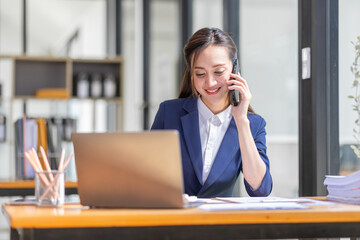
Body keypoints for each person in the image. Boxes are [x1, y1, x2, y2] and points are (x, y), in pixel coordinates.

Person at [151, 27, 272, 198]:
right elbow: (147, 174)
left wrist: (241, 120)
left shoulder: (253, 124)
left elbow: (259, 189)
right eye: (200, 73)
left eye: (218, 71)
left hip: (219, 222)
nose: (210, 82)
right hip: (174, 219)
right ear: (191, 74)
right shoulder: (169, 113)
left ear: (234, 70)